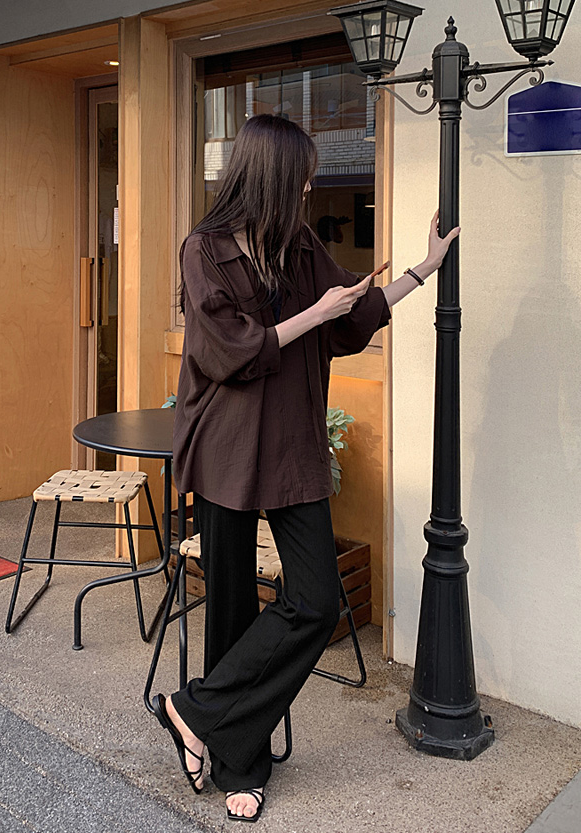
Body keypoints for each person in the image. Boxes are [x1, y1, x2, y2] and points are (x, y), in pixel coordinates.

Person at [153, 113, 460, 822]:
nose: (310, 188)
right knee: (231, 607)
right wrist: (313, 315)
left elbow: (350, 315)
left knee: (317, 601)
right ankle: (241, 763)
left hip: (291, 442)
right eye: (303, 177)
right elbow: (228, 350)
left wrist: (422, 270)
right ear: (272, 176)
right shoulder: (203, 249)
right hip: (226, 445)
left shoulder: (298, 245)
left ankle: (195, 712)